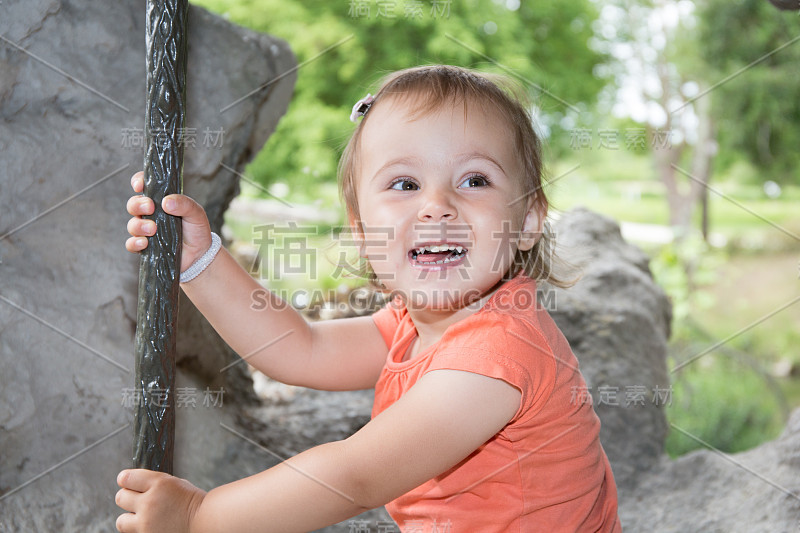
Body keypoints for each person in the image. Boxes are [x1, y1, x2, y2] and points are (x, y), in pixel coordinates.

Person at [116, 65, 621, 532]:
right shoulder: (416, 322)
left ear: (529, 221)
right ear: (362, 231)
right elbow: (301, 350)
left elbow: (356, 477)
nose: (437, 206)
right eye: (405, 183)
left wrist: (200, 516)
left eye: (475, 180)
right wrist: (200, 264)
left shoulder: (498, 356)